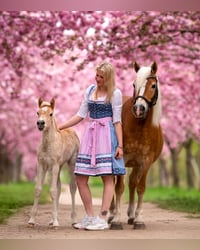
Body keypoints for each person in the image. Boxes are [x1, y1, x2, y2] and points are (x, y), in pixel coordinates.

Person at [58, 61, 125, 231]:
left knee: (107, 177)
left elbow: (117, 122)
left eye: (102, 77)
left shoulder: (115, 94)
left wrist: (120, 146)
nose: (98, 79)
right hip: (90, 134)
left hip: (106, 136)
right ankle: (89, 216)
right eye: (97, 75)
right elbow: (81, 115)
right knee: (80, 177)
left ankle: (102, 218)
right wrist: (60, 126)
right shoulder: (89, 91)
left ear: (109, 78)